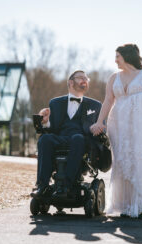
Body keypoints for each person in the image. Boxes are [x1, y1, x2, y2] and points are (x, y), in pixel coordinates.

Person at [90, 44, 142, 218]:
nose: (115, 60)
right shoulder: (114, 78)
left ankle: (140, 204)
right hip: (118, 123)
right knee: (121, 160)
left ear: (127, 57)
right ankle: (123, 204)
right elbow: (108, 101)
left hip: (140, 126)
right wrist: (100, 121)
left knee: (138, 160)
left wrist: (135, 100)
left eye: (118, 56)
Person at [32, 70, 102, 199]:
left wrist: (98, 127)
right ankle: (42, 186)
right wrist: (46, 122)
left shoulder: (95, 105)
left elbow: (101, 126)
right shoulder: (55, 103)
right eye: (81, 78)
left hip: (82, 141)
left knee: (78, 138)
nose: (85, 80)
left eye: (86, 78)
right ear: (70, 82)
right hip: (61, 138)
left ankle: (67, 184)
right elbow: (51, 127)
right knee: (45, 139)